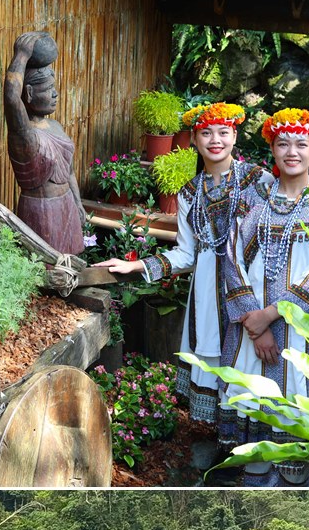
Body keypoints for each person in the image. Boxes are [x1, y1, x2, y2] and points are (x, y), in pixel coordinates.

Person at [100, 102, 266, 424]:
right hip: (206, 296)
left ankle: (248, 450)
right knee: (211, 362)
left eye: (223, 132)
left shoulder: (256, 181)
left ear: (235, 136)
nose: (215, 139)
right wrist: (136, 265)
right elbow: (186, 254)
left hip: (250, 291)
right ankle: (219, 445)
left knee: (247, 367)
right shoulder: (190, 192)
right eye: (206, 133)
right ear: (193, 138)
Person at [221, 108, 309, 485]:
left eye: (301, 144)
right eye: (282, 144)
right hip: (250, 328)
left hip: (300, 327)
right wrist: (254, 323)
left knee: (297, 393)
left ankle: (295, 484)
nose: (291, 151)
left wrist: (272, 315)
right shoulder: (252, 198)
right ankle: (255, 478)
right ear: (272, 150)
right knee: (252, 397)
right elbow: (231, 257)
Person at [2, 31, 87, 257]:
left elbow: (69, 172)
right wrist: (21, 55)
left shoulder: (56, 126)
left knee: (72, 262)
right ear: (28, 93)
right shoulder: (24, 134)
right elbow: (11, 97)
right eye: (49, 89)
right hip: (41, 211)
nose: (56, 94)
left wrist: (78, 204)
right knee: (45, 267)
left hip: (66, 204)